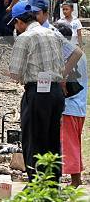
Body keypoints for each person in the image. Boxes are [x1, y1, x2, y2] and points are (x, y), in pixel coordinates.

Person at [9, 1, 64, 182]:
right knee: (52, 140)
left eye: (15, 24)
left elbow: (15, 73)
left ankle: (37, 185)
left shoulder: (24, 38)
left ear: (19, 22)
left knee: (33, 140)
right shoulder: (53, 33)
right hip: (56, 92)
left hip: (37, 93)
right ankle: (53, 185)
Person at [55, 22, 87, 187]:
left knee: (69, 145)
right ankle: (76, 179)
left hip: (69, 107)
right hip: (79, 106)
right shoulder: (80, 55)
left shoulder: (69, 56)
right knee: (73, 143)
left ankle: (75, 182)